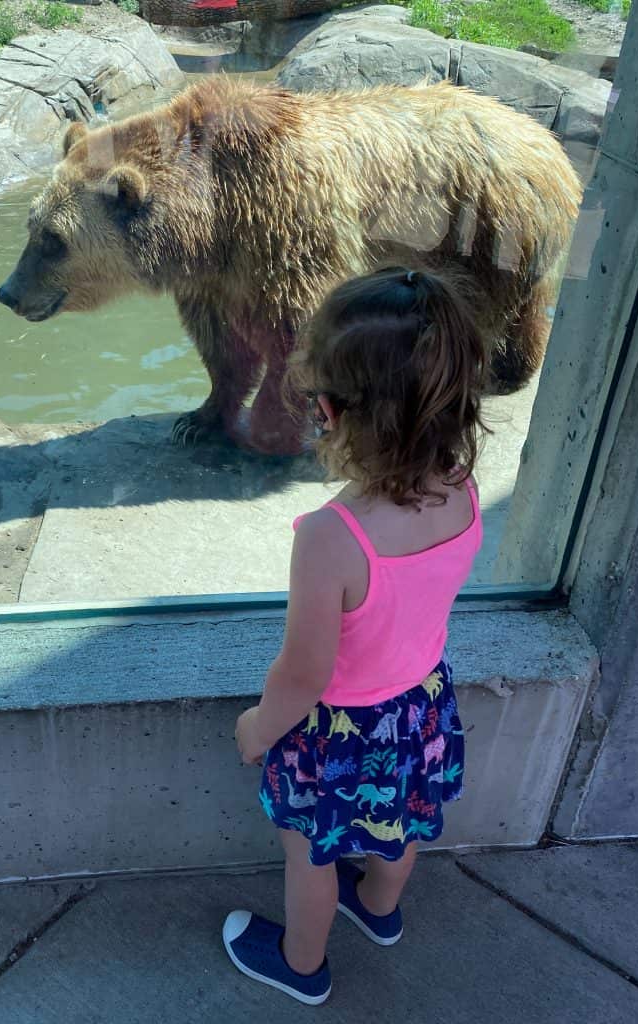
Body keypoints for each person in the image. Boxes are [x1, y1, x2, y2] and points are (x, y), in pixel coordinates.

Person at [222, 267, 488, 1005]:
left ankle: (300, 968)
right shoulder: (463, 484)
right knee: (399, 826)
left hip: (338, 733)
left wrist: (256, 728)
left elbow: (304, 674)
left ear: (334, 410)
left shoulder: (332, 537)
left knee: (308, 852)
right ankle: (376, 908)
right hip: (421, 707)